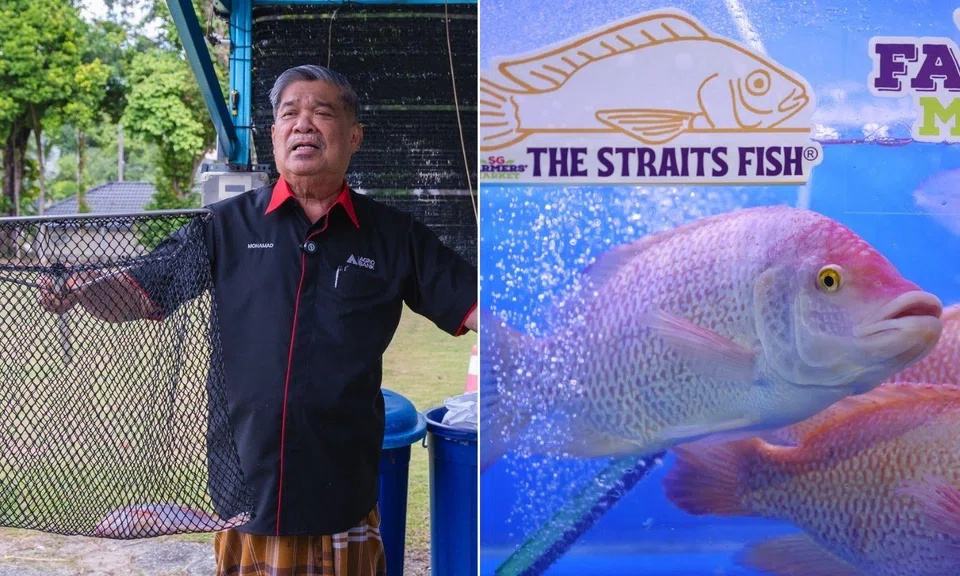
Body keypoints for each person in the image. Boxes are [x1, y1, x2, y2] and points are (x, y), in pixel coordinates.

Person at [39, 64, 478, 576]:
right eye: (289, 114)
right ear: (274, 135)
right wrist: (82, 291)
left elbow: (473, 306)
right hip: (248, 492)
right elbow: (141, 293)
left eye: (322, 113)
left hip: (344, 491)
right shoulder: (224, 226)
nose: (303, 125)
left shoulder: (394, 236)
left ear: (353, 136)